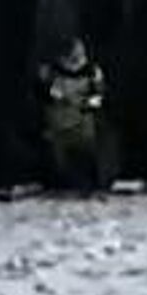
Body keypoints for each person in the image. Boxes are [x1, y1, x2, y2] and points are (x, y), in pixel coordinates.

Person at [42, 39, 106, 191]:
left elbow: (99, 97)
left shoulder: (93, 72)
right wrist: (62, 98)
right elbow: (48, 93)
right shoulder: (53, 72)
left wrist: (85, 105)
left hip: (84, 124)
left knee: (88, 153)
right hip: (59, 124)